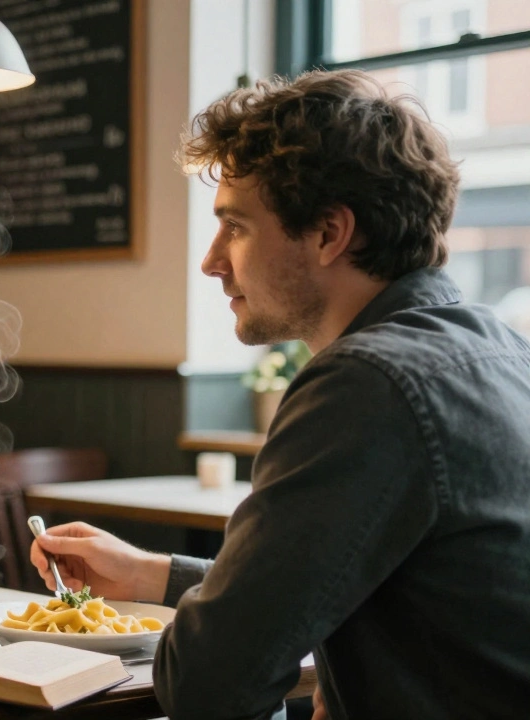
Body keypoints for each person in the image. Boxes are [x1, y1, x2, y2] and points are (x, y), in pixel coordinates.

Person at [31, 70, 530, 719]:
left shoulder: (367, 383)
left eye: (234, 227)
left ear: (329, 233)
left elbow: (210, 686)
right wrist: (151, 576)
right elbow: (341, 585)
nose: (212, 261)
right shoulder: (501, 348)